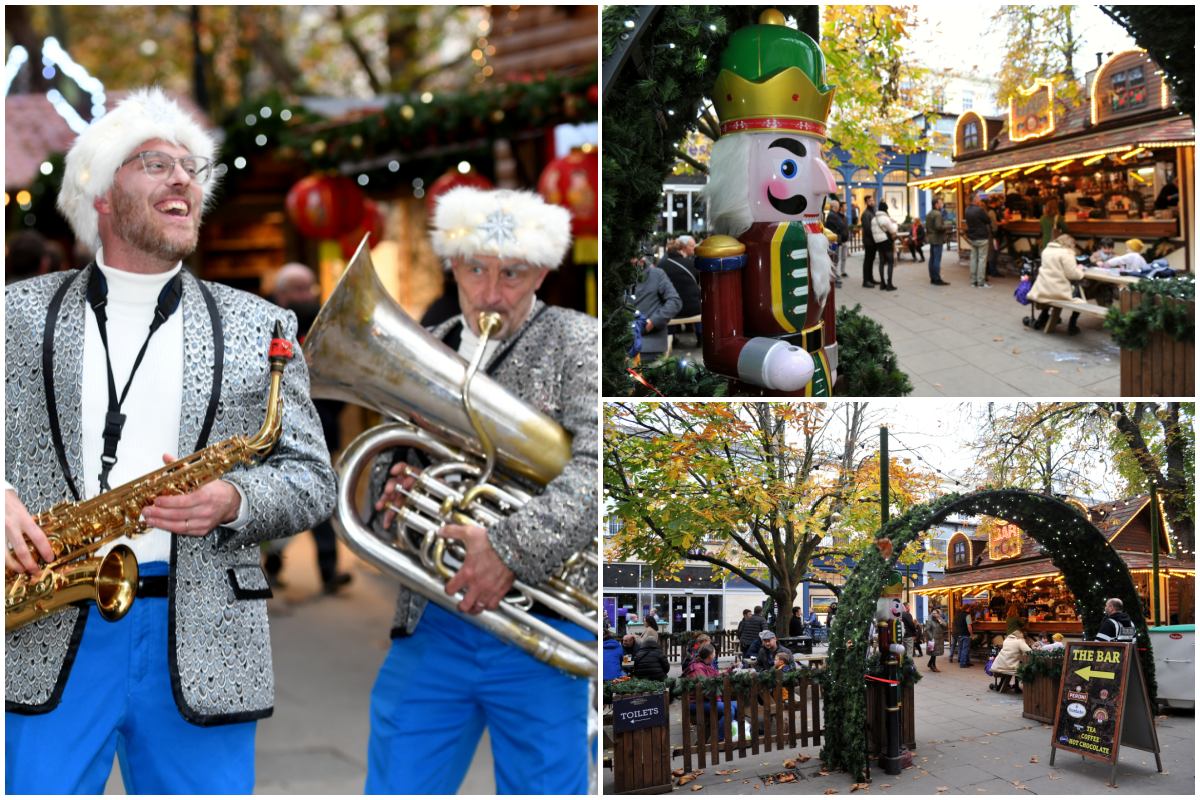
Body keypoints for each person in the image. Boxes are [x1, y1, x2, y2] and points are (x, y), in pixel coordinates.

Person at [4, 87, 337, 794]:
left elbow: (312, 476)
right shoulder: (14, 313)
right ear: (99, 192)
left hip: (206, 635)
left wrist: (233, 499)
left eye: (192, 165)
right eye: (155, 163)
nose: (184, 178)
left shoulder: (261, 325)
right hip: (41, 623)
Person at [366, 185, 596, 794]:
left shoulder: (577, 341)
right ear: (453, 266)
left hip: (543, 622)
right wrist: (390, 497)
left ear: (542, 272)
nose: (491, 294)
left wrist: (509, 549)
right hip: (435, 618)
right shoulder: (430, 342)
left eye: (512, 274)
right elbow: (388, 458)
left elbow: (600, 468)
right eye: (476, 270)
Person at [263, 262, 352, 594]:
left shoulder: (323, 326)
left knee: (322, 496)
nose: (306, 295)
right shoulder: (263, 320)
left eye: (309, 289)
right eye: (298, 290)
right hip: (277, 430)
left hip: (322, 426)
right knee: (276, 497)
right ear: (282, 292)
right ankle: (271, 564)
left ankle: (329, 571)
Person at [1025, 234, 1086, 335]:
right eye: (1073, 244)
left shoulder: (1046, 250)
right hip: (1058, 291)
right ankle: (1072, 325)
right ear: (1069, 243)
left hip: (1043, 289)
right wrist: (1080, 269)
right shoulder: (1067, 252)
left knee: (1053, 291)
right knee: (1082, 295)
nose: (1074, 247)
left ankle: (1043, 316)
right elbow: (1072, 275)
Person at [630, 252, 682, 359]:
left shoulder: (656, 274)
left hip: (650, 342)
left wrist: (653, 321)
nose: (643, 259)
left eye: (642, 255)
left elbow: (675, 302)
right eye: (636, 256)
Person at [683, 645, 738, 742]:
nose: (715, 654)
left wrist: (732, 668)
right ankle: (719, 740)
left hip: (707, 698)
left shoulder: (707, 664)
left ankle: (734, 733)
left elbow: (718, 676)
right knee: (729, 710)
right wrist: (718, 699)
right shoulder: (698, 668)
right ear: (710, 656)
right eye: (714, 653)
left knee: (736, 706)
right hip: (696, 702)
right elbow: (704, 690)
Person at [657, 239, 701, 320]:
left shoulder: (660, 267)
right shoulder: (692, 263)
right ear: (682, 251)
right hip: (693, 308)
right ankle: (699, 331)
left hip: (670, 311)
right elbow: (699, 282)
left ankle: (672, 331)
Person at [989, 621, 1032, 693]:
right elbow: (1029, 652)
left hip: (999, 664)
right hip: (1009, 665)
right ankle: (1017, 687)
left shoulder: (1006, 640)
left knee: (1010, 664)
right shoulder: (1020, 641)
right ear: (1021, 635)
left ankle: (1001, 685)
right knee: (1020, 666)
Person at [964, 193, 993, 289]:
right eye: (979, 197)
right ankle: (981, 282)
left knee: (973, 259)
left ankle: (973, 281)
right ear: (975, 200)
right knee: (982, 260)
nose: (980, 199)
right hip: (982, 237)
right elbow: (988, 220)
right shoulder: (980, 210)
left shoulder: (967, 210)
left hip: (972, 237)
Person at [870, 201, 899, 291]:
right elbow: (892, 230)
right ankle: (889, 284)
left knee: (882, 262)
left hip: (878, 242)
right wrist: (894, 223)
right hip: (886, 241)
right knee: (890, 262)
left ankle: (882, 283)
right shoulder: (885, 218)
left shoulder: (874, 219)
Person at [825, 199, 851, 280]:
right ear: (837, 207)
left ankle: (840, 273)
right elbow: (842, 225)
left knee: (841, 257)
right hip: (836, 240)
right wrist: (838, 227)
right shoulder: (833, 215)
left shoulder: (839, 216)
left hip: (841, 239)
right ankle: (835, 276)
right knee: (835, 258)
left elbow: (843, 226)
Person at [861, 196, 879, 288]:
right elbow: (868, 229)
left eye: (872, 200)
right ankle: (866, 280)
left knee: (871, 260)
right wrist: (875, 237)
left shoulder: (872, 212)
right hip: (869, 241)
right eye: (869, 201)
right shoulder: (866, 214)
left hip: (873, 241)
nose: (872, 202)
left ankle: (870, 278)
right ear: (866, 202)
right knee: (868, 260)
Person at [924, 608, 946, 672]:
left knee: (934, 653)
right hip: (933, 640)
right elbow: (927, 630)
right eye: (933, 613)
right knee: (934, 653)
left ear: (938, 614)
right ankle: (933, 666)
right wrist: (931, 638)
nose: (933, 614)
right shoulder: (930, 621)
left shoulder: (940, 619)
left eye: (935, 613)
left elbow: (945, 626)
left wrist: (940, 622)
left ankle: (930, 663)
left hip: (939, 639)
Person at [985, 196, 1002, 278]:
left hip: (986, 236)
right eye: (999, 202)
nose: (1000, 203)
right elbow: (994, 225)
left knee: (990, 254)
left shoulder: (989, 212)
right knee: (993, 254)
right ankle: (993, 270)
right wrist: (1003, 223)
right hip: (993, 236)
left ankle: (989, 270)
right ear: (995, 202)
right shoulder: (991, 212)